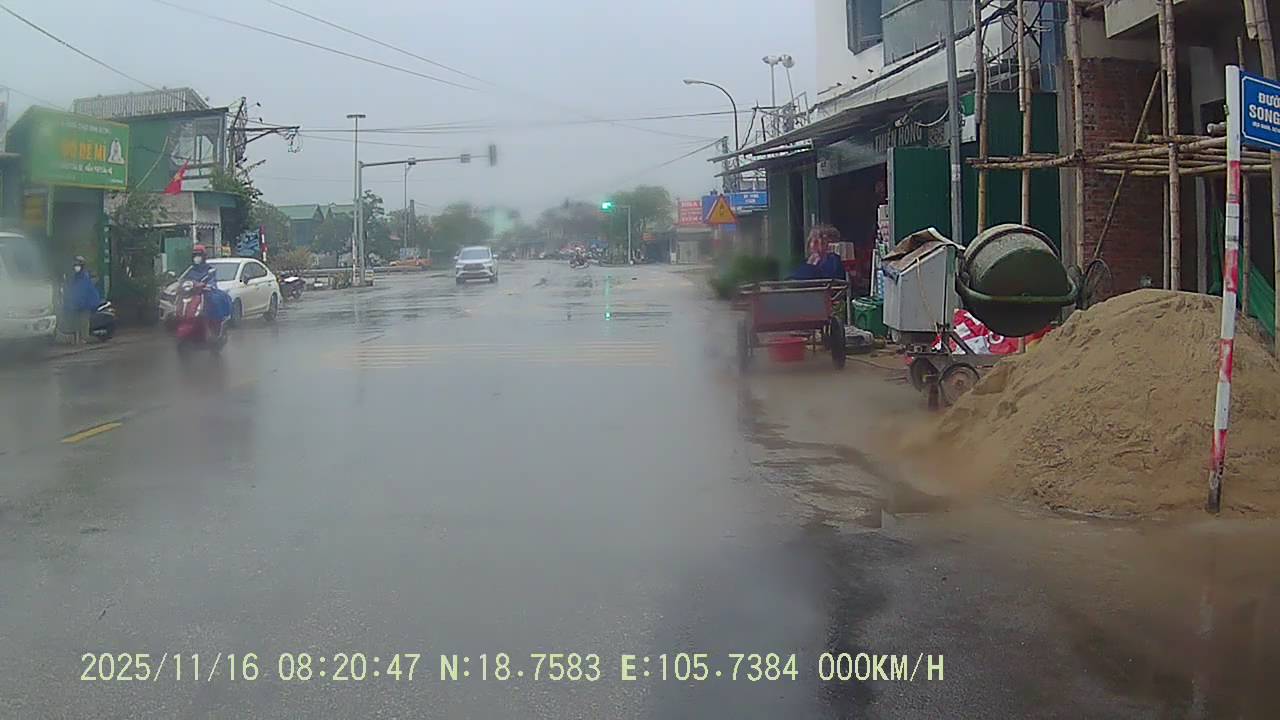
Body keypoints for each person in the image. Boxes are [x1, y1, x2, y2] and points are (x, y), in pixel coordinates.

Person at [63, 256, 101, 344]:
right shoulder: (75, 278)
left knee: (83, 325)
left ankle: (83, 340)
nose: (76, 267)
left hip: (85, 306)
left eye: (78, 265)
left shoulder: (85, 277)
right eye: (75, 265)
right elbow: (72, 291)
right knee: (76, 325)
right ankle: (78, 340)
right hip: (76, 306)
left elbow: (85, 292)